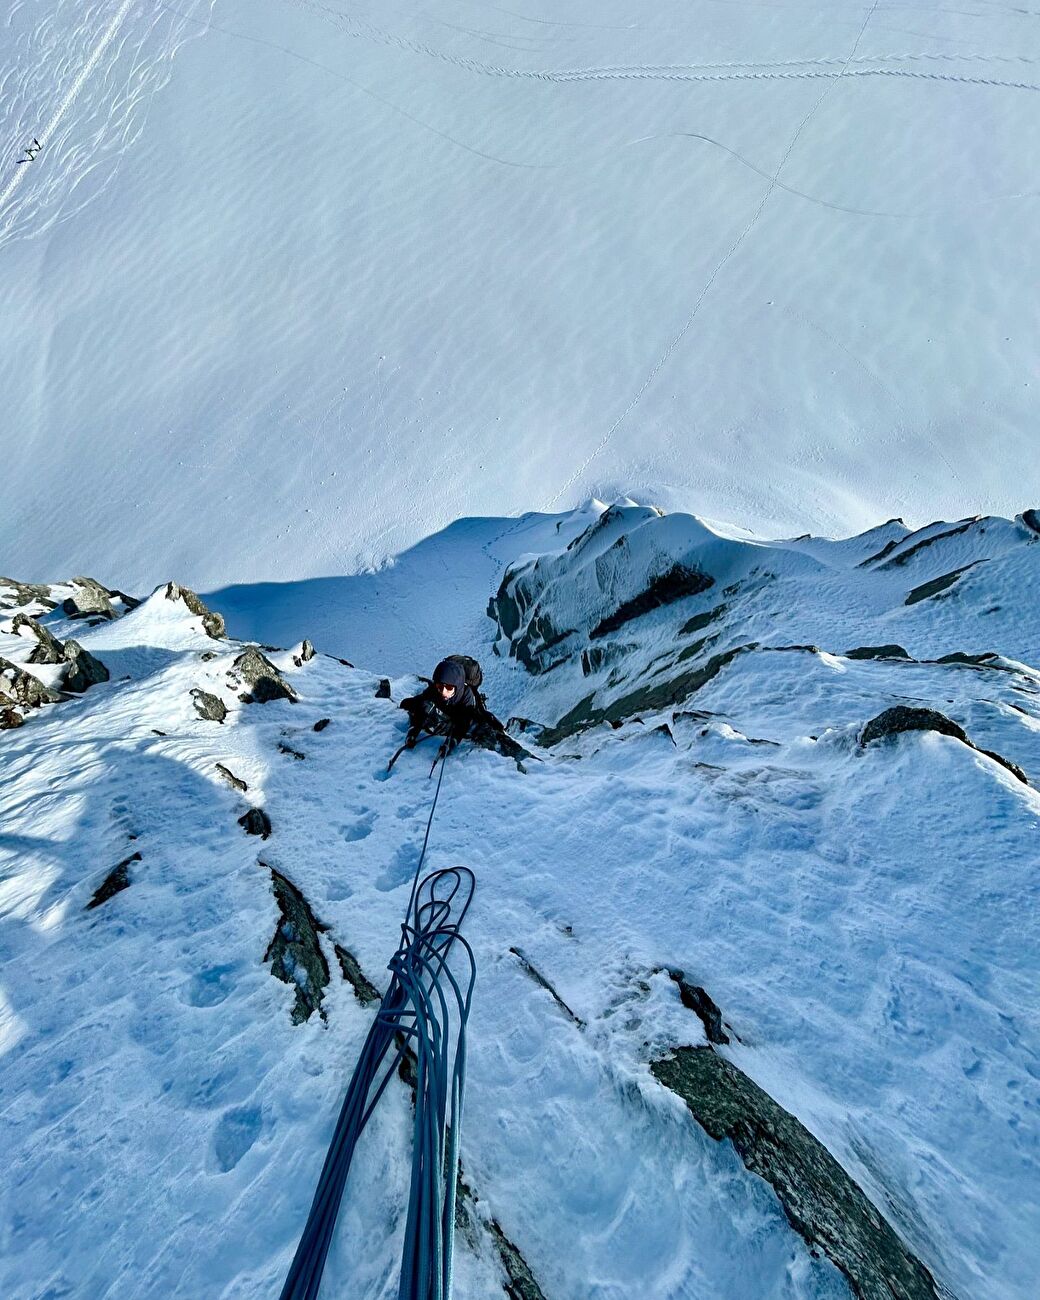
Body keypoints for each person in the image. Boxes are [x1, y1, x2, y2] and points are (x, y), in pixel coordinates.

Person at [391, 657, 534, 771]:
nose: (443, 692)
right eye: (440, 686)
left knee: (485, 728)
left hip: (467, 716)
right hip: (452, 715)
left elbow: (464, 722)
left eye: (448, 688)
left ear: (458, 687)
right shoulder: (434, 691)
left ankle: (526, 760)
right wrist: (413, 732)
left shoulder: (467, 697)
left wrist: (451, 743)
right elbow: (419, 707)